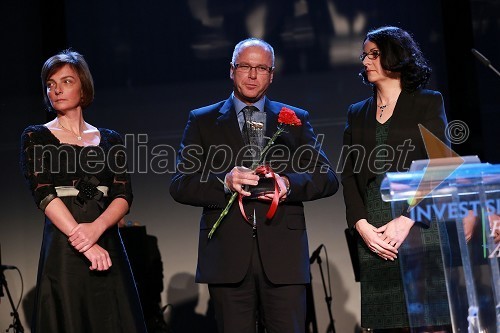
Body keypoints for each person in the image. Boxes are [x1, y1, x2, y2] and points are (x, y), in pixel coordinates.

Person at [170, 37, 338, 333]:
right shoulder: (203, 120)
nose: (252, 75)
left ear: (271, 75)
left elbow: (327, 177)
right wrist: (224, 183)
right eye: (245, 66)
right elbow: (181, 183)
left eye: (261, 68)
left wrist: (289, 183)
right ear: (231, 70)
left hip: (284, 258)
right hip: (226, 258)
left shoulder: (295, 119)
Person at [20, 49, 147, 332]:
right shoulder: (36, 136)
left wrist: (96, 229)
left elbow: (123, 195)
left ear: (83, 86)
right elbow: (43, 193)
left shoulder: (110, 139)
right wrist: (85, 242)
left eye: (66, 81)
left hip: (107, 242)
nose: (56, 90)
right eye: (50, 84)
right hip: (65, 249)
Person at [341, 26, 452, 332]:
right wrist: (361, 225)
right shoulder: (356, 113)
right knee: (389, 323)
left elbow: (441, 166)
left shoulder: (428, 102)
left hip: (419, 220)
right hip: (374, 227)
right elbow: (349, 176)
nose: (365, 61)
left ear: (395, 56)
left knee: (430, 321)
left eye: (373, 54)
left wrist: (407, 220)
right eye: (364, 55)